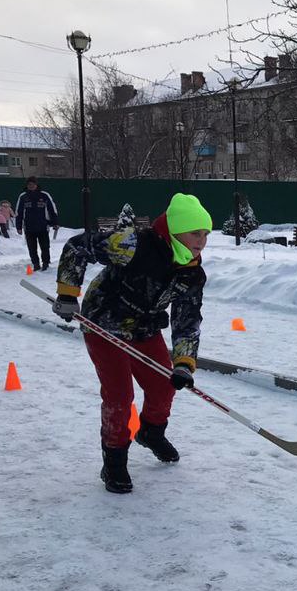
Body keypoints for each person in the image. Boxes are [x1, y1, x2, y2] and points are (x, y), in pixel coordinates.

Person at [52, 193, 210, 494]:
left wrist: (184, 364)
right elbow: (77, 247)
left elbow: (187, 319)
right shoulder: (133, 245)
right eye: (195, 232)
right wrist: (68, 293)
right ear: (175, 230)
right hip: (104, 322)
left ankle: (151, 431)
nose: (201, 241)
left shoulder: (192, 273)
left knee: (165, 384)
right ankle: (114, 460)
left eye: (205, 234)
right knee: (120, 395)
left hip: (143, 326)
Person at [15, 176, 58, 270]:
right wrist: (18, 226)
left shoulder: (44, 195)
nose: (31, 186)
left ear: (36, 184)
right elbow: (19, 212)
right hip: (29, 227)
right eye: (29, 184)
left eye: (33, 184)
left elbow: (52, 209)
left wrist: (55, 222)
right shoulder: (23, 196)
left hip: (43, 226)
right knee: (32, 248)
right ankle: (36, 264)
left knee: (45, 246)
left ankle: (46, 263)